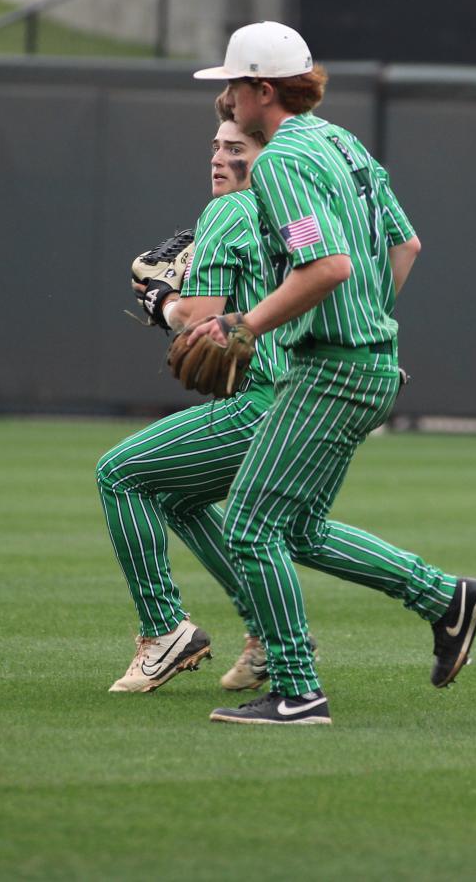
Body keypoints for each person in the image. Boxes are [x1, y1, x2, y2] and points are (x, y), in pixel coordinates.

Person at [178, 21, 476, 727]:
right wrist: (369, 320)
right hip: (370, 361)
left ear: (262, 88)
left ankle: (297, 689)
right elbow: (404, 245)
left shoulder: (283, 158)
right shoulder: (341, 141)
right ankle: (446, 599)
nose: (225, 97)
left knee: (251, 529)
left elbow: (327, 267)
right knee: (299, 528)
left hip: (330, 369)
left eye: (232, 83)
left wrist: (245, 325)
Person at [95, 117, 313, 694]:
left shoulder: (228, 212)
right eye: (215, 147)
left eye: (235, 148)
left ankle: (164, 629)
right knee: (175, 494)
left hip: (259, 402)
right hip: (302, 397)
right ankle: (269, 629)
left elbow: (194, 318)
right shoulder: (296, 212)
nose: (218, 158)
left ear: (265, 155)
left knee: (118, 474)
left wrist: (163, 301)